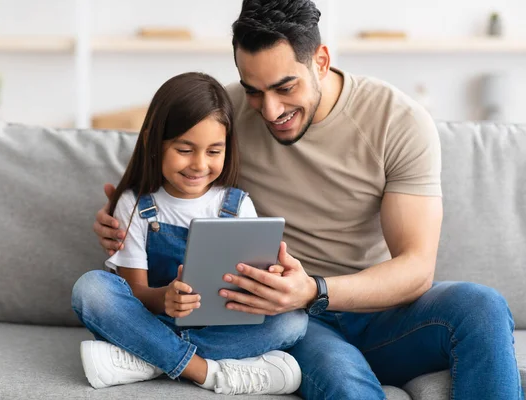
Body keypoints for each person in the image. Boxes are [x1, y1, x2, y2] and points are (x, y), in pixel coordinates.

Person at [93, 1, 525, 399]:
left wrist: (314, 290)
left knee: (481, 306)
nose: (269, 110)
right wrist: (119, 218)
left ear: (321, 60)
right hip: (293, 323)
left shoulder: (398, 121)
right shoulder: (225, 118)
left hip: (378, 311)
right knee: (344, 380)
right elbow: (169, 171)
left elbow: (416, 270)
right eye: (254, 90)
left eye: (285, 87)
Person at [71, 71, 308, 396]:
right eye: (185, 149)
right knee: (91, 289)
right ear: (155, 143)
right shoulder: (137, 204)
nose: (199, 164)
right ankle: (205, 371)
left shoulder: (237, 206)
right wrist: (164, 298)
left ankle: (149, 359)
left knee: (294, 319)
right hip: (152, 322)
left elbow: (252, 294)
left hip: (219, 327)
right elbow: (136, 292)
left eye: (213, 152)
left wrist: (268, 282)